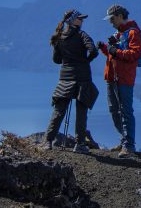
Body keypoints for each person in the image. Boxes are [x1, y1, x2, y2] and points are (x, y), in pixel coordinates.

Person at [42, 9, 100, 154]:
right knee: (81, 111)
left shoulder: (59, 36)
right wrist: (86, 60)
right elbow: (93, 50)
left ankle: (47, 141)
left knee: (59, 110)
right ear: (73, 20)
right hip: (83, 78)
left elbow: (56, 60)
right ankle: (79, 144)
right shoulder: (82, 35)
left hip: (65, 78)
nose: (82, 21)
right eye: (80, 18)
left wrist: (68, 59)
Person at [97, 3, 141, 157]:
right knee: (114, 110)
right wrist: (105, 48)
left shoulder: (133, 33)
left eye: (112, 19)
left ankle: (129, 145)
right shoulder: (119, 33)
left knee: (125, 112)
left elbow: (134, 55)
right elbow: (114, 55)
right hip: (112, 78)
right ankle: (124, 140)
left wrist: (114, 50)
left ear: (119, 16)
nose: (110, 22)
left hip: (124, 79)